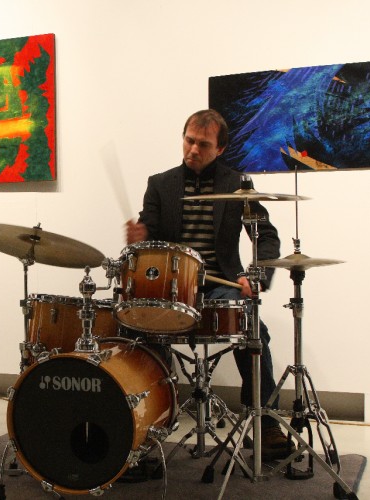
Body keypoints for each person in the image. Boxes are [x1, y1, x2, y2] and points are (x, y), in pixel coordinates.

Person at [125, 109, 293, 460]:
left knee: (253, 329)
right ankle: (148, 421)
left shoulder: (237, 184)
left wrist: (256, 275)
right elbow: (149, 238)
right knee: (137, 329)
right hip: (172, 287)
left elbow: (267, 236)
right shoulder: (160, 184)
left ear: (220, 149)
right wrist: (139, 238)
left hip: (221, 284)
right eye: (189, 141)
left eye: (203, 144)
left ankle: (265, 422)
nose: (193, 150)